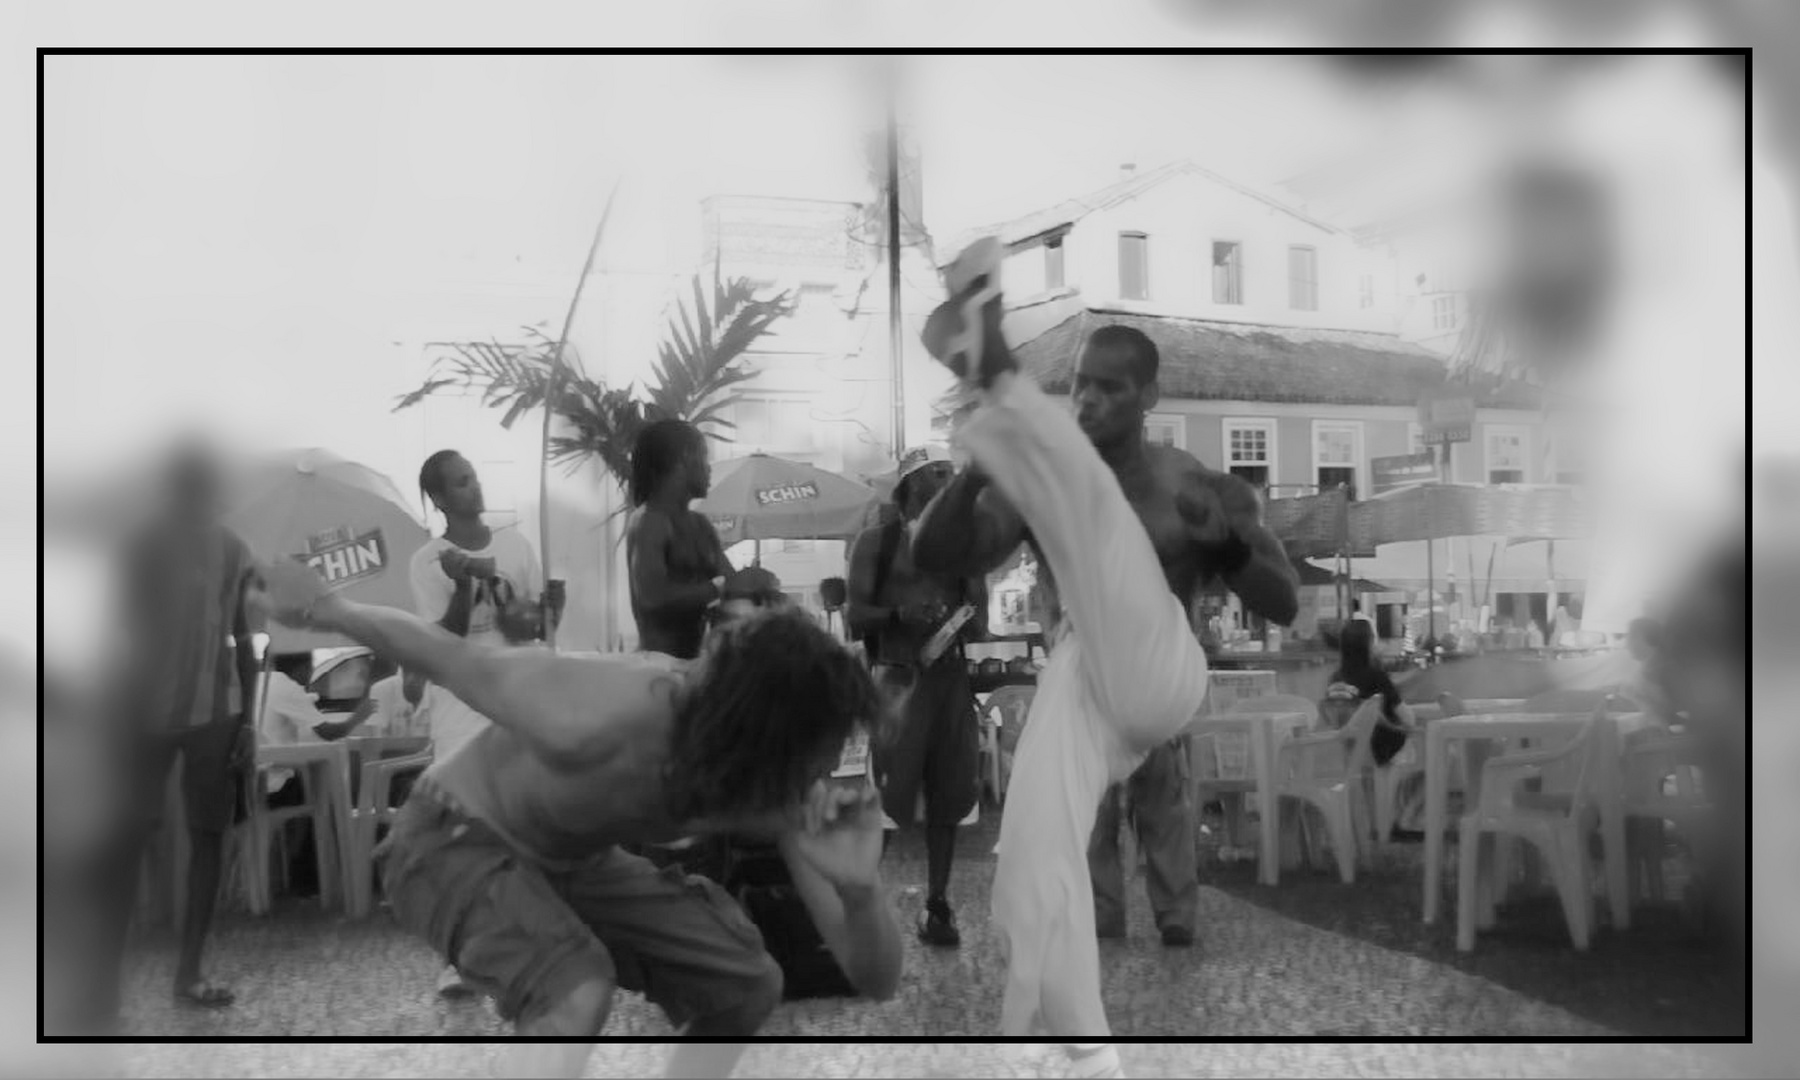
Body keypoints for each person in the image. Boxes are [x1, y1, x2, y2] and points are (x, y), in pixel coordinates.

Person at [252, 556, 902, 1079]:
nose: (812, 779)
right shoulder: (603, 711)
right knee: (576, 986)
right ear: (743, 739)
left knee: (746, 983)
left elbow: (874, 980)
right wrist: (326, 607)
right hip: (448, 836)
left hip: (571, 862)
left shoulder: (782, 781)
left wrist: (859, 888)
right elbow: (447, 657)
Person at [910, 242, 1298, 1070]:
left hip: (1161, 680)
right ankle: (1083, 1048)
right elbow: (934, 557)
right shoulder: (1037, 485)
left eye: (1108, 387)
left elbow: (1284, 599)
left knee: (1091, 516)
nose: (1088, 398)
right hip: (1086, 688)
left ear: (1149, 395)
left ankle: (998, 372)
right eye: (1080, 383)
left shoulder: (1186, 482)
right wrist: (970, 476)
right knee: (1034, 860)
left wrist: (1227, 544)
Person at [95, 443, 261, 1018]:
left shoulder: (234, 550)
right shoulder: (141, 543)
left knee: (208, 837)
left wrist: (251, 724)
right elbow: (115, 631)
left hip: (217, 713)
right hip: (144, 713)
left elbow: (246, 640)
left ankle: (189, 973)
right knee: (127, 841)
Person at [410, 449, 544, 997]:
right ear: (441, 499)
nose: (474, 488)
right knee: (461, 828)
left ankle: (530, 940)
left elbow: (529, 626)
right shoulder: (427, 560)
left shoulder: (516, 545)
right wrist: (463, 585)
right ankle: (456, 954)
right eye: (461, 483)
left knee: (521, 821)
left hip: (512, 694)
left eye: (474, 477)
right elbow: (441, 638)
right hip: (460, 704)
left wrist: (542, 609)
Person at [846, 444, 986, 948]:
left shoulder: (960, 543)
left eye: (953, 474)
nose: (950, 483)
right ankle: (859, 910)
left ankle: (938, 904)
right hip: (897, 683)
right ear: (911, 484)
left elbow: (981, 622)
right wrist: (899, 617)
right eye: (939, 474)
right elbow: (854, 617)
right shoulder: (876, 542)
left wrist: (971, 584)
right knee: (886, 800)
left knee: (950, 800)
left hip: (950, 681)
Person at [626, 418, 734, 660]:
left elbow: (732, 582)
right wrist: (717, 589)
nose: (709, 468)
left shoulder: (700, 525)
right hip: (657, 666)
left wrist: (756, 587)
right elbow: (652, 596)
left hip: (695, 664)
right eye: (705, 457)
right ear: (685, 458)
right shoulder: (649, 521)